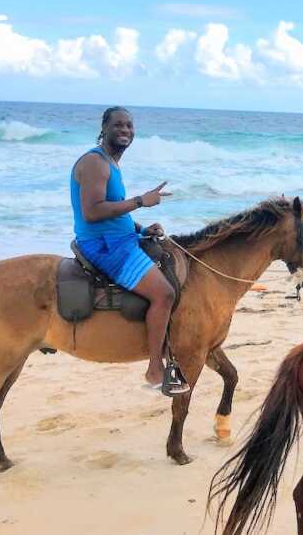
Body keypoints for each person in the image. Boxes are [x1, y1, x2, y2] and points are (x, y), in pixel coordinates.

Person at [70, 106, 189, 394]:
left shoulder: (111, 162)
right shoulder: (95, 163)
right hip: (104, 246)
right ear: (104, 128)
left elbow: (114, 211)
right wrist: (141, 201)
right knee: (164, 293)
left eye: (129, 126)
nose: (125, 130)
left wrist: (141, 229)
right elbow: (92, 212)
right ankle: (154, 370)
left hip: (123, 238)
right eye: (118, 125)